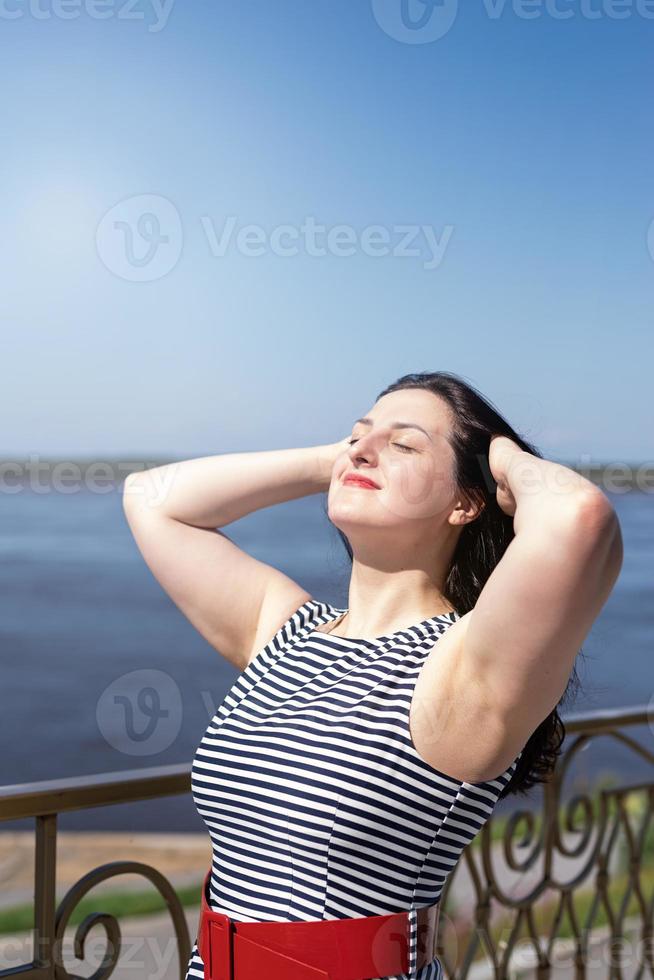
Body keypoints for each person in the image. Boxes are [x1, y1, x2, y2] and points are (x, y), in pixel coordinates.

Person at [122, 370, 623, 980]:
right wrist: (343, 458)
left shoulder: (462, 665)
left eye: (406, 445)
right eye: (357, 436)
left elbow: (579, 515)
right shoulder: (288, 631)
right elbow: (151, 498)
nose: (363, 449)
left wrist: (504, 459)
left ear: (466, 502)